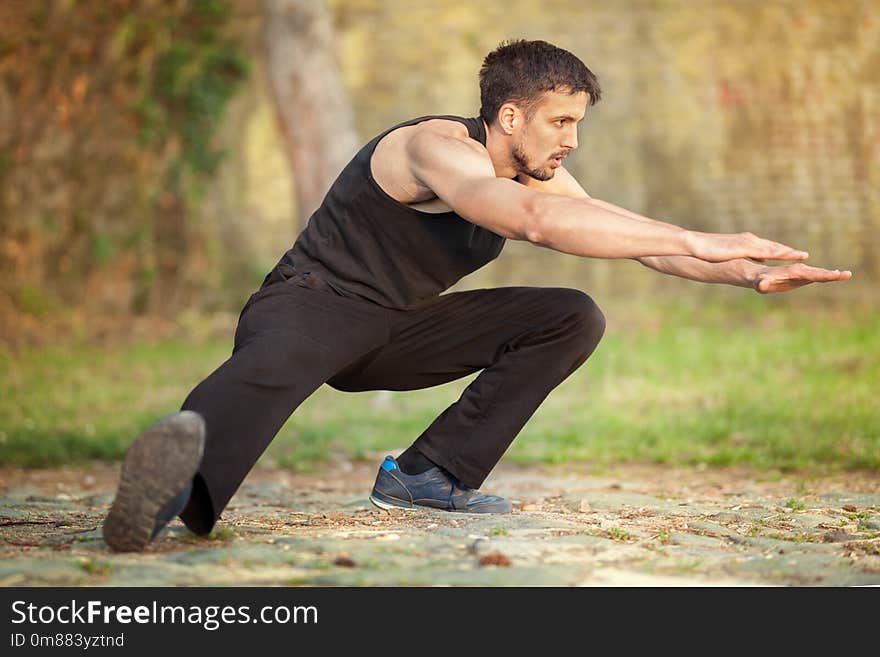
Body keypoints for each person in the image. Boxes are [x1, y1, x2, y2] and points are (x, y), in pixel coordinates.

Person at [102, 39, 851, 552]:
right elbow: (532, 221)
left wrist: (744, 270)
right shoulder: (435, 147)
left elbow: (634, 238)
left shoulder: (537, 171)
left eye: (578, 124)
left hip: (396, 328)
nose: (572, 142)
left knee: (569, 317)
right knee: (277, 367)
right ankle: (165, 494)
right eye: (562, 122)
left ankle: (427, 477)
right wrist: (698, 237)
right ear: (510, 116)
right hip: (313, 301)